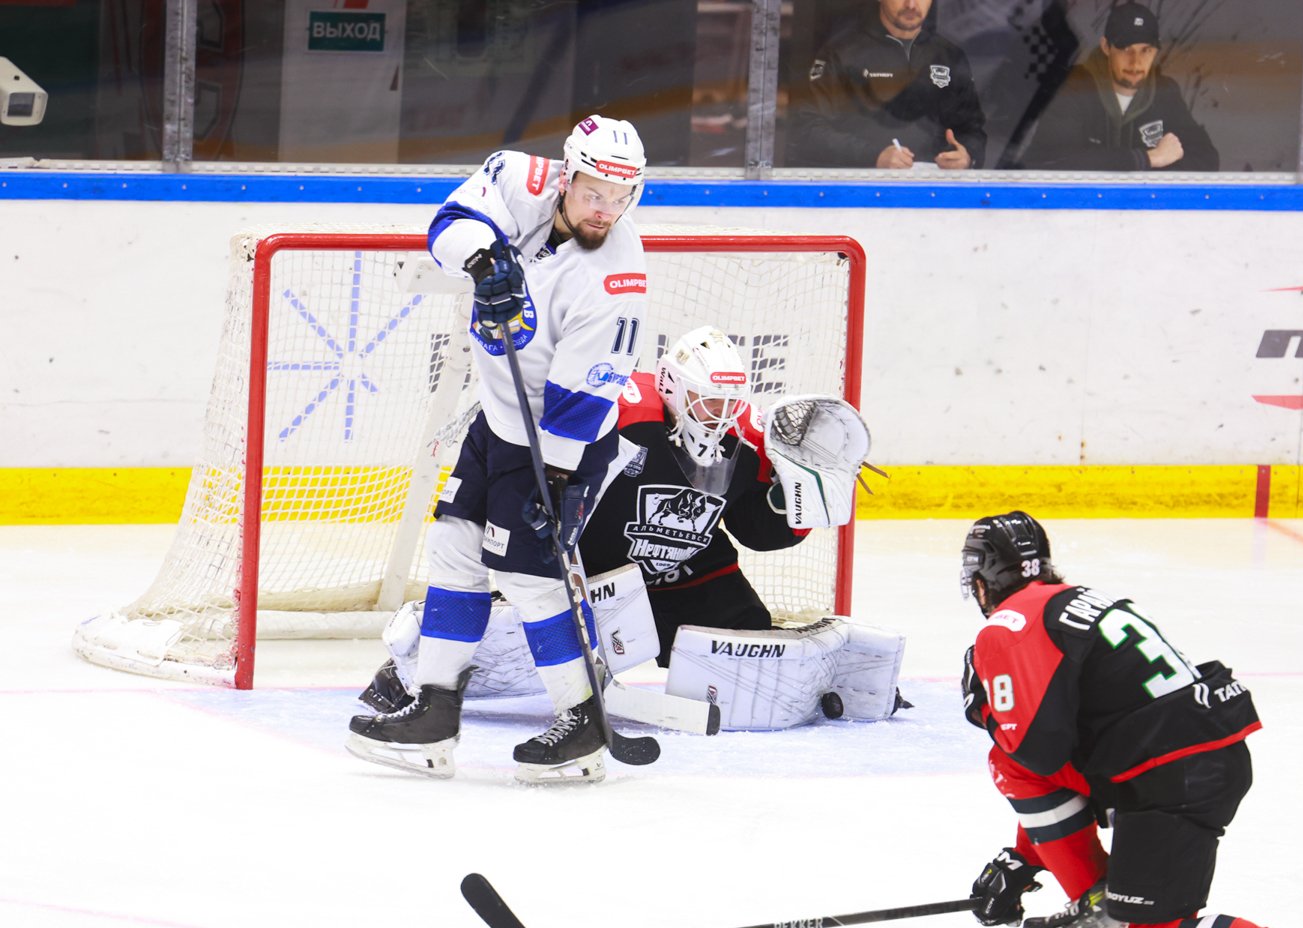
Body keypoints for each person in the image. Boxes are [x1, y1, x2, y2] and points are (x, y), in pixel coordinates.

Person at [355, 326, 909, 747]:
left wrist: (795, 498)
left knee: (761, 663)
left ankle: (845, 682)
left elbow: (757, 533)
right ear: (672, 387)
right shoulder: (620, 415)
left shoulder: (749, 437)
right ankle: (415, 675)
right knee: (526, 639)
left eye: (729, 402)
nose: (719, 415)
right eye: (707, 400)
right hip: (601, 575)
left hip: (693, 577)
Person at [958, 512, 1303, 928]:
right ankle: (1100, 903)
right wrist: (1024, 857)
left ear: (983, 581)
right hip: (1190, 756)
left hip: (1170, 776)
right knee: (1015, 763)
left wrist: (984, 711)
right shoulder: (1075, 600)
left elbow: (1038, 753)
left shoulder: (1010, 625)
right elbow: (1060, 759)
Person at [345, 113, 649, 785]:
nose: (604, 209)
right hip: (498, 422)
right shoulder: (520, 178)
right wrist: (484, 259)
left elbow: (581, 397)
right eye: (593, 192)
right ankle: (434, 713)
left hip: (560, 445)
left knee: (530, 578)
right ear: (567, 176)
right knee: (453, 547)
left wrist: (556, 481)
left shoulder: (615, 277)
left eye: (620, 197)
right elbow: (448, 224)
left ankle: (580, 724)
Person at [1020, 2, 1218, 171]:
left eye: (1146, 50)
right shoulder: (1075, 86)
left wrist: (1144, 170)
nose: (1135, 62)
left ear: (1156, 51)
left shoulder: (1165, 92)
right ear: (1106, 47)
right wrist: (1147, 159)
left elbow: (1206, 159)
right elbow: (1049, 161)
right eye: (1125, 49)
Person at [792, 0, 987, 170]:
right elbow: (806, 128)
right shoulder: (842, 52)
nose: (911, 4)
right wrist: (873, 156)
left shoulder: (949, 56)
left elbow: (972, 129)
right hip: (860, 191)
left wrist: (967, 156)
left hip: (932, 192)